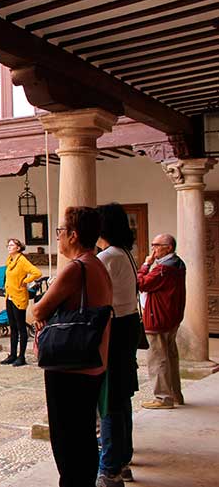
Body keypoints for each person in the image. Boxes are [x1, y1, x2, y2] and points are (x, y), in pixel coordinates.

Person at [33, 207, 113, 487]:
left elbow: (39, 309)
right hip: (92, 363)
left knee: (66, 439)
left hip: (70, 366)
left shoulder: (76, 268)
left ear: (74, 235)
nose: (58, 238)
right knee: (83, 436)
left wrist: (41, 310)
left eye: (60, 232)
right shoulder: (98, 265)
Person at [96, 204, 141, 486]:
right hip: (128, 326)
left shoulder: (106, 258)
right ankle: (123, 458)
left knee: (110, 400)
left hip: (113, 330)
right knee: (122, 396)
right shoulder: (127, 254)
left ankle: (110, 467)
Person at [138, 233, 186, 410]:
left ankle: (163, 398)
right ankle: (175, 394)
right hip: (172, 317)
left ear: (169, 248)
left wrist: (146, 264)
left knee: (158, 359)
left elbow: (141, 283)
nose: (153, 249)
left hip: (157, 318)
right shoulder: (179, 263)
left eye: (157, 245)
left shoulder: (163, 269)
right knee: (171, 356)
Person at [1, 238, 41, 367]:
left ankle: (21, 356)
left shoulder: (22, 260)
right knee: (12, 327)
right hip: (10, 296)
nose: (9, 247)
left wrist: (25, 281)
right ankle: (12, 354)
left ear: (18, 248)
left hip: (19, 297)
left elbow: (37, 272)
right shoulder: (10, 260)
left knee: (21, 327)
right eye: (8, 245)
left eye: (12, 245)